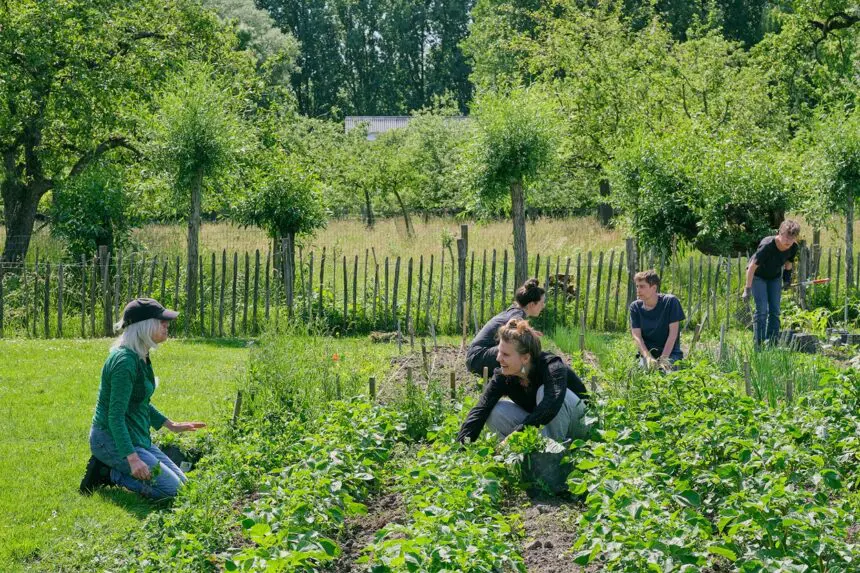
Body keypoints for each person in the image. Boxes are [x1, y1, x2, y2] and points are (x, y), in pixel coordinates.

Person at [79, 298, 206, 499]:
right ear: (145, 326)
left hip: (136, 436)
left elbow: (139, 401)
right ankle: (107, 473)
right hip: (110, 440)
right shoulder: (124, 362)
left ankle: (114, 468)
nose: (167, 325)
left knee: (184, 485)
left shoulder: (141, 356)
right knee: (175, 493)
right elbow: (115, 417)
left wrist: (170, 425)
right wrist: (132, 458)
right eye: (161, 321)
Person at [457, 318, 589, 444]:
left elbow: (551, 405)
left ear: (525, 358)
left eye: (505, 354)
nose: (498, 358)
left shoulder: (551, 366)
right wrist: (461, 447)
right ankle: (520, 457)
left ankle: (551, 457)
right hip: (543, 425)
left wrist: (517, 434)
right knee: (493, 410)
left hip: (580, 425)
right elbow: (481, 409)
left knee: (543, 392)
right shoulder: (504, 375)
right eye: (499, 352)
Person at [465, 278, 546, 376]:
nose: (543, 306)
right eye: (542, 303)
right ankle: (523, 378)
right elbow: (513, 325)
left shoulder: (514, 310)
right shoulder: (517, 314)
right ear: (532, 304)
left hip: (475, 357)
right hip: (478, 358)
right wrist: (531, 335)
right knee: (523, 349)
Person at [742, 220, 800, 347]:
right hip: (758, 276)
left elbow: (788, 263)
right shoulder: (767, 245)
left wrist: (787, 279)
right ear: (779, 233)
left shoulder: (794, 247)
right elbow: (752, 267)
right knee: (762, 310)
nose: (788, 242)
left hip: (774, 277)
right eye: (787, 238)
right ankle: (759, 343)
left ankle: (772, 342)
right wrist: (747, 289)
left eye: (792, 239)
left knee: (775, 310)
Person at [629, 270, 685, 370]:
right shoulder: (635, 307)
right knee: (641, 375)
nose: (638, 290)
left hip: (670, 353)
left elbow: (673, 335)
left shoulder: (670, 302)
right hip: (647, 353)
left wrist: (663, 359)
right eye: (637, 286)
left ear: (654, 287)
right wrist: (648, 357)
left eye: (642, 286)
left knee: (666, 373)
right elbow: (637, 336)